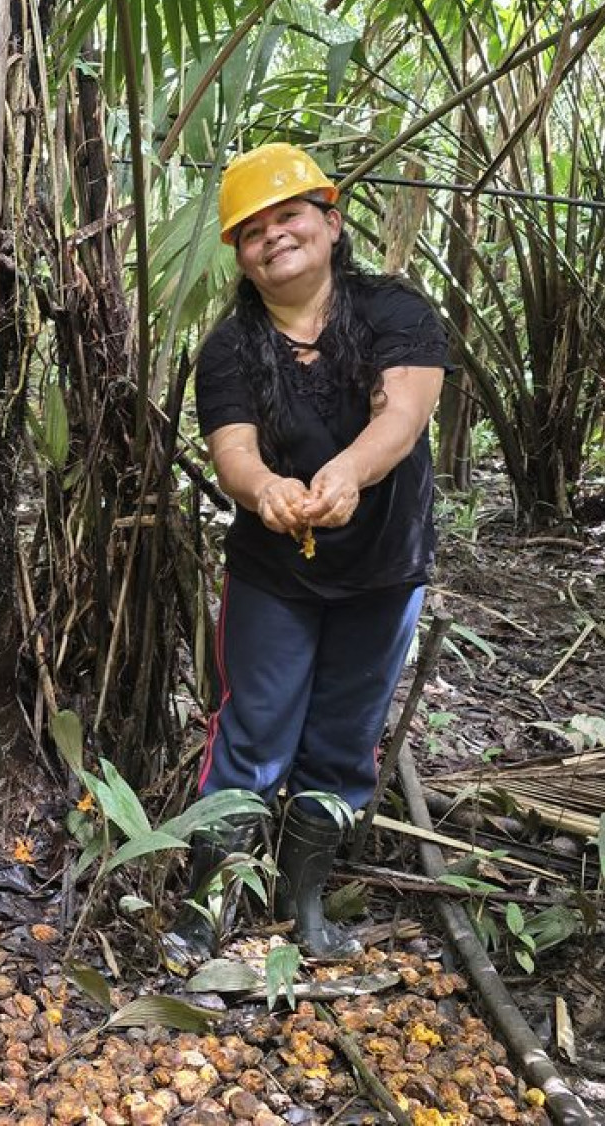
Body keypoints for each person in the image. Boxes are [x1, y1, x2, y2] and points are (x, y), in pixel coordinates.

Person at [168, 143, 447, 965]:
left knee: (342, 737)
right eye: (251, 231)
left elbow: (402, 415)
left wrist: (348, 473)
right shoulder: (229, 349)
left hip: (383, 566)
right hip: (275, 574)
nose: (273, 237)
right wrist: (265, 494)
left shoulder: (396, 310)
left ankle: (307, 902)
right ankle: (211, 903)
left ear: (330, 221)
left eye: (288, 216)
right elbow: (234, 452)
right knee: (252, 733)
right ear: (240, 257)